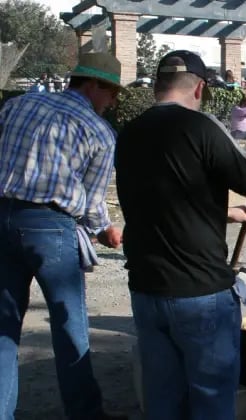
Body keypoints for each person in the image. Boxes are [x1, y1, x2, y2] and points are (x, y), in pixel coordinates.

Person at [114, 50, 246, 419]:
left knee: (162, 402)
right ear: (200, 89)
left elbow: (162, 202)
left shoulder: (129, 133)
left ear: (158, 86)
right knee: (211, 402)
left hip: (147, 290)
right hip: (199, 292)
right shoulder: (201, 127)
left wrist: (223, 213)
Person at [0, 53, 125, 420]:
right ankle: (85, 414)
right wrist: (104, 230)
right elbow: (92, 198)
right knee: (70, 324)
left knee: (4, 325)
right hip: (50, 226)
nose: (113, 101)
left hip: (1, 214)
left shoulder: (20, 103)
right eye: (112, 93)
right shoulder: (100, 132)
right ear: (92, 85)